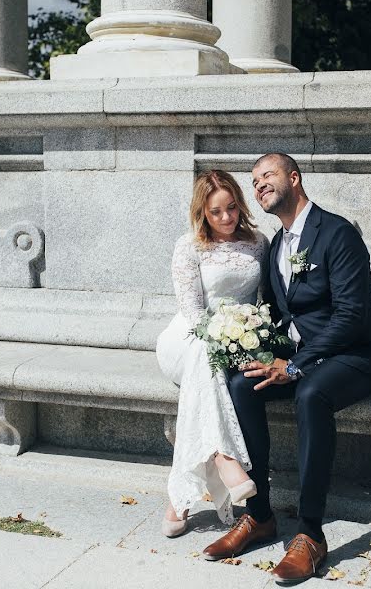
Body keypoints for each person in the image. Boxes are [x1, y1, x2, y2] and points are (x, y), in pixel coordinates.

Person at [201, 153, 371, 584]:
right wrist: (253, 347)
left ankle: (310, 534)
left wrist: (295, 366)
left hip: (353, 356)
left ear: (294, 177)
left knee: (312, 394)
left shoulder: (338, 233)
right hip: (302, 358)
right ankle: (259, 516)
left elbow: (352, 315)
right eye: (254, 182)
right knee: (241, 384)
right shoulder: (276, 247)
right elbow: (276, 313)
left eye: (267, 175)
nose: (259, 185)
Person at [156, 169, 271, 537]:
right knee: (207, 361)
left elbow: (264, 301)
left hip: (240, 337)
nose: (226, 218)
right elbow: (191, 310)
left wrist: (252, 336)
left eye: (232, 208)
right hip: (189, 337)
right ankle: (225, 458)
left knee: (209, 378)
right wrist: (222, 339)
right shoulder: (188, 245)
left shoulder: (258, 242)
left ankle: (179, 500)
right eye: (216, 212)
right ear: (202, 212)